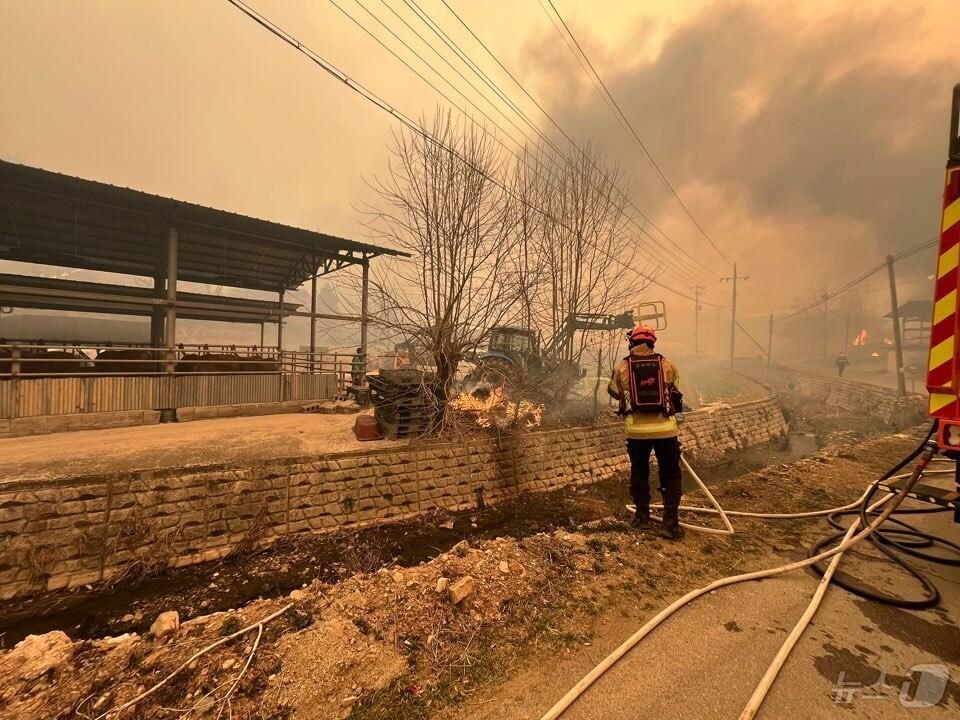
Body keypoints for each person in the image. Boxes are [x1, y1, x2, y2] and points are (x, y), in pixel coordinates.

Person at [607, 325, 685, 539]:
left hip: (637, 433)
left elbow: (614, 391)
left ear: (632, 343)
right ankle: (671, 525)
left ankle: (642, 518)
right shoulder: (667, 365)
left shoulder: (623, 367)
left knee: (639, 472)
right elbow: (676, 391)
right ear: (652, 343)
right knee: (670, 475)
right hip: (666, 432)